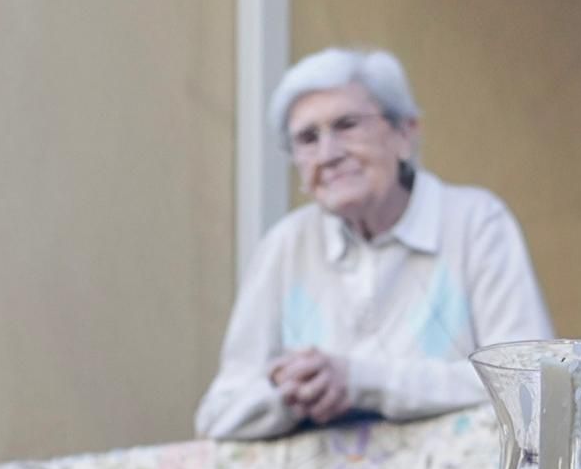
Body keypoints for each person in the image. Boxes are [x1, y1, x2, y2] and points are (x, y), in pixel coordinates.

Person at [195, 47, 554, 438]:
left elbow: (527, 382)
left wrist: (360, 382)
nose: (328, 154)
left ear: (404, 134)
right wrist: (289, 392)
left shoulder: (476, 222)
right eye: (307, 138)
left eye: (347, 125)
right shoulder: (284, 246)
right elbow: (219, 413)